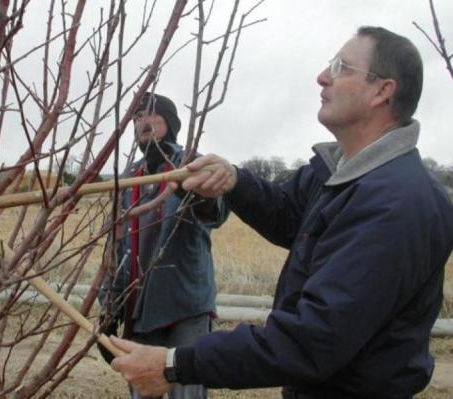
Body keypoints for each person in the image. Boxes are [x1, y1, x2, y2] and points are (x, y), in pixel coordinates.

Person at [109, 26, 453, 399]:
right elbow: (290, 217)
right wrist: (235, 180)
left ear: (382, 91)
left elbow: (314, 338)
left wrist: (176, 365)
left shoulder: (396, 202)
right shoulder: (335, 171)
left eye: (341, 67)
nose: (322, 77)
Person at [98, 92, 229, 398]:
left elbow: (217, 210)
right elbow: (117, 248)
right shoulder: (130, 178)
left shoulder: (191, 165)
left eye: (150, 114)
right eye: (136, 117)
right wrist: (109, 308)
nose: (142, 121)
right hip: (139, 308)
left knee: (187, 391)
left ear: (169, 122)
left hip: (184, 306)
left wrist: (195, 191)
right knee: (143, 390)